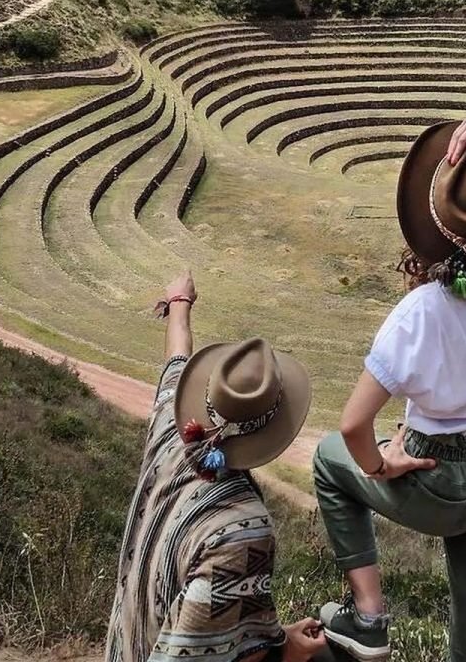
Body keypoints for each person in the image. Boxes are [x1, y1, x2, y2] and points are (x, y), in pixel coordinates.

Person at [313, 101, 466, 662]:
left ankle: (368, 615)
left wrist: (379, 464)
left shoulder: (419, 313)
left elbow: (353, 426)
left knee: (330, 460)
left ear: (429, 220)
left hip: (438, 479)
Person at [106, 271, 325, 662]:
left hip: (127, 646)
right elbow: (212, 650)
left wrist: (178, 303)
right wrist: (286, 649)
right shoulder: (242, 530)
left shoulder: (171, 433)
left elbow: (176, 360)